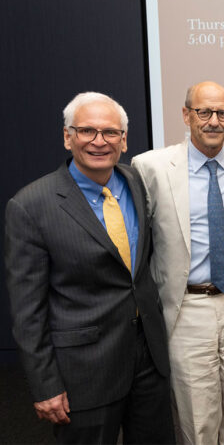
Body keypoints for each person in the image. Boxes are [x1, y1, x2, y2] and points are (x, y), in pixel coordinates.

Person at [4, 92, 174, 444]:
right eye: (87, 131)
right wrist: (45, 385)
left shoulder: (135, 183)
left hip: (148, 360)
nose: (99, 141)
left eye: (110, 132)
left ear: (124, 141)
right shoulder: (31, 206)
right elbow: (27, 312)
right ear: (67, 136)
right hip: (84, 373)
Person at [131, 81, 224, 444]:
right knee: (198, 412)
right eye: (204, 112)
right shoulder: (151, 168)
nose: (213, 121)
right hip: (186, 306)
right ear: (186, 114)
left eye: (222, 113)